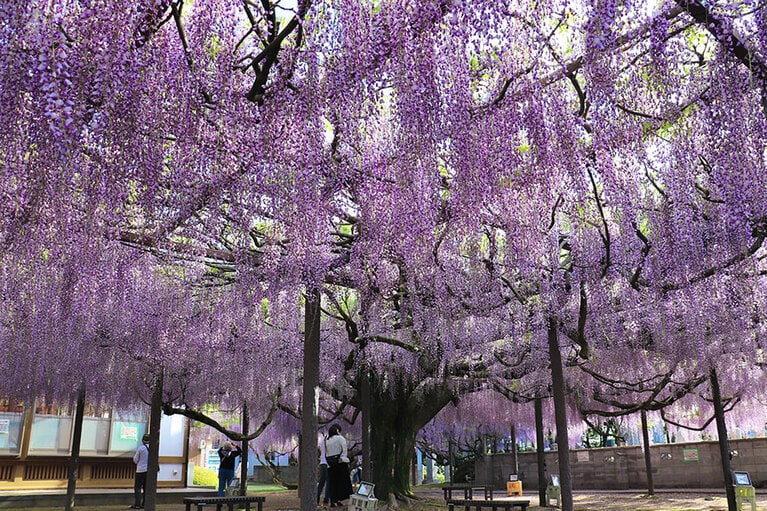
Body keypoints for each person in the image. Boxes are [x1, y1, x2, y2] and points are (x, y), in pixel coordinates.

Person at [325, 424, 353, 507]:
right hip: (340, 462)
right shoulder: (340, 438)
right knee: (342, 482)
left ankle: (333, 500)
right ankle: (339, 499)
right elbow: (344, 450)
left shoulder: (327, 440)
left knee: (332, 482)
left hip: (330, 463)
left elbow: (326, 453)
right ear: (337, 430)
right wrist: (344, 459)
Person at [131, 433, 150, 509]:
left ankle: (137, 504)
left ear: (142, 440)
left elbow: (135, 460)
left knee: (138, 488)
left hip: (140, 470)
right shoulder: (153, 449)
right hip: (148, 471)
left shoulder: (141, 448)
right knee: (146, 488)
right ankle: (145, 504)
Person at [317, 431, 331, 507]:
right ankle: (326, 500)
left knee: (321, 482)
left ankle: (316, 498)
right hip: (328, 464)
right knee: (328, 482)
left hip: (322, 463)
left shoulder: (322, 441)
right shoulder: (329, 441)